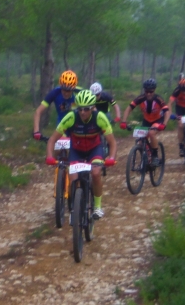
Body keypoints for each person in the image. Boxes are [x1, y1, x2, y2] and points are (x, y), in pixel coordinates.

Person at [46, 90, 117, 219]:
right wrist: (50, 156)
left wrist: (111, 157)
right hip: (76, 150)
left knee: (95, 173)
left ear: (92, 108)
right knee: (73, 177)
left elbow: (112, 142)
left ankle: (97, 207)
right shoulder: (71, 117)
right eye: (80, 109)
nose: (82, 112)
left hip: (94, 149)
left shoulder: (100, 117)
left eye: (86, 109)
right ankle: (75, 207)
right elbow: (52, 139)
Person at [119, 78, 168, 166]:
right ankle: (146, 159)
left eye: (151, 91)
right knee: (140, 141)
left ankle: (155, 156)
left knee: (152, 133)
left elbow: (167, 111)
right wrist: (124, 121)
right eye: (146, 91)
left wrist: (164, 124)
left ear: (154, 90)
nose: (148, 93)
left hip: (158, 120)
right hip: (146, 121)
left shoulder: (159, 99)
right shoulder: (140, 98)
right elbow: (129, 108)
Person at [33, 70, 80, 140]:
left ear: (73, 88)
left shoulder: (80, 93)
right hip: (61, 124)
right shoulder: (55, 93)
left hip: (78, 124)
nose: (66, 93)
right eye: (64, 89)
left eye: (69, 90)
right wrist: (36, 131)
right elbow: (38, 111)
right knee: (59, 148)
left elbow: (92, 108)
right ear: (61, 86)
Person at [90, 82, 120, 160]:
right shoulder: (90, 98)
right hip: (95, 112)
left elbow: (115, 106)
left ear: (100, 93)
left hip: (106, 114)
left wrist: (118, 117)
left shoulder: (106, 96)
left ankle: (110, 149)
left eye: (97, 95)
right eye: (94, 95)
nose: (96, 97)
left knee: (108, 132)